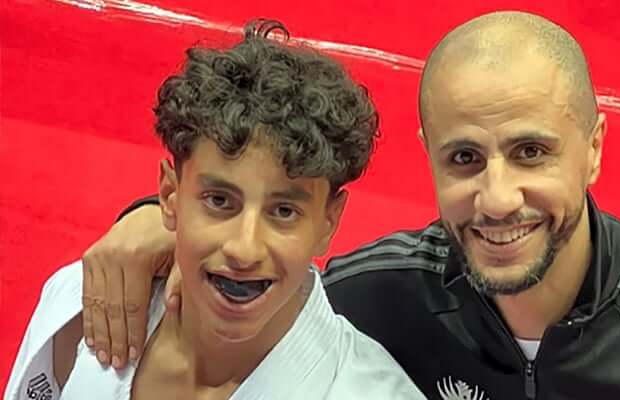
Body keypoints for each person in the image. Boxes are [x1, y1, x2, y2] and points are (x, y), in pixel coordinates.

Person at [74, 11, 620, 400]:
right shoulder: (376, 293)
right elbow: (263, 263)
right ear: (429, 156)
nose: (498, 198)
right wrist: (150, 224)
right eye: (464, 158)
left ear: (594, 148)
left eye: (531, 153)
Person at [4, 19, 426, 400]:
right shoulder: (77, 309)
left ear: (329, 222)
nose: (244, 249)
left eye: (283, 212)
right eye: (220, 201)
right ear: (170, 195)